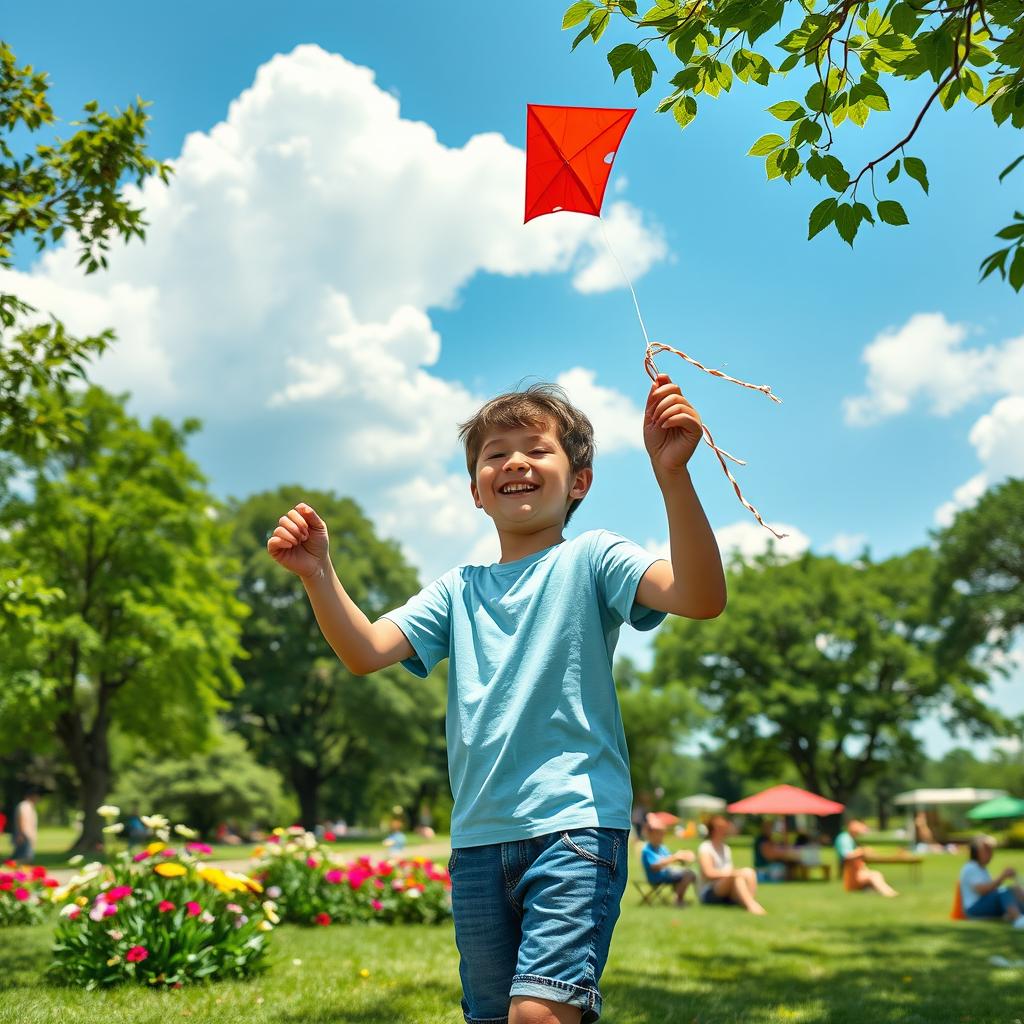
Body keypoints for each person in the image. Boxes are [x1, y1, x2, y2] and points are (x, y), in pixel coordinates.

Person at [267, 376, 727, 1024]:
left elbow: (700, 596)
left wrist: (673, 476)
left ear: (580, 482)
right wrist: (319, 575)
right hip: (479, 837)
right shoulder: (458, 590)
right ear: (476, 490)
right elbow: (365, 650)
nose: (514, 461)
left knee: (538, 1014)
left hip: (575, 826)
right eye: (495, 454)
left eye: (536, 450)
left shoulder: (595, 558)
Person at [697, 815, 766, 915]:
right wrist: (731, 873)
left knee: (749, 872)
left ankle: (749, 901)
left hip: (726, 887)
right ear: (713, 830)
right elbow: (709, 873)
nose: (725, 830)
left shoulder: (726, 848)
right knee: (736, 876)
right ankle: (751, 905)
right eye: (721, 827)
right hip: (709, 891)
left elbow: (729, 869)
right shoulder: (706, 847)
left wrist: (734, 872)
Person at [960, 835, 1024, 928]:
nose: (990, 854)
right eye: (987, 850)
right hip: (974, 909)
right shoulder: (971, 868)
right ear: (976, 852)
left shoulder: (982, 869)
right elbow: (982, 891)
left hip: (983, 904)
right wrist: (1003, 876)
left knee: (1012, 891)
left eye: (991, 850)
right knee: (1004, 892)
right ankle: (1018, 919)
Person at [640, 812, 696, 906]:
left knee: (690, 872)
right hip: (656, 877)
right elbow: (654, 866)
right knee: (689, 874)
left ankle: (679, 897)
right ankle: (678, 899)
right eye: (659, 834)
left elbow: (670, 860)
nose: (662, 836)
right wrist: (676, 857)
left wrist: (683, 858)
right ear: (650, 834)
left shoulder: (662, 848)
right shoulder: (647, 849)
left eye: (662, 834)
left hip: (668, 873)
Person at [835, 819, 898, 897]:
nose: (860, 828)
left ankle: (886, 891)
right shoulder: (845, 838)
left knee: (875, 875)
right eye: (857, 825)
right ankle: (889, 893)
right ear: (850, 826)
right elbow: (847, 856)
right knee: (875, 875)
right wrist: (862, 851)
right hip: (851, 874)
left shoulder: (852, 838)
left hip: (857, 871)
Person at [753, 818, 797, 882]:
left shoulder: (768, 839)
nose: (771, 830)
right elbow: (769, 856)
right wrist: (782, 855)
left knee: (790, 864)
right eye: (770, 828)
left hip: (769, 866)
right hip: (764, 868)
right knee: (783, 866)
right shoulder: (762, 840)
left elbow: (776, 848)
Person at [12, 789, 40, 864]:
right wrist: (21, 834)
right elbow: (22, 819)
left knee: (25, 856)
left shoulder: (29, 806)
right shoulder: (24, 805)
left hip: (28, 835)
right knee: (24, 857)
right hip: (25, 835)